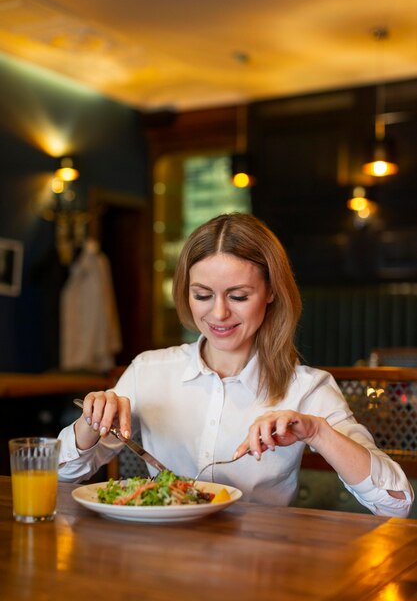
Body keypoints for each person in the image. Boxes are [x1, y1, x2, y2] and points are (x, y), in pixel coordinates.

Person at [58, 213, 414, 517]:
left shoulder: (307, 388)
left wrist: (317, 432)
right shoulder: (149, 370)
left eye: (238, 296)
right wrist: (92, 423)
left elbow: (396, 504)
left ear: (272, 291)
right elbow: (60, 475)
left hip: (263, 567)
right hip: (162, 560)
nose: (218, 313)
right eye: (202, 295)